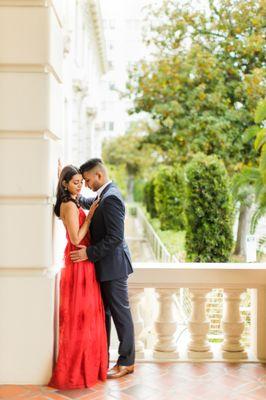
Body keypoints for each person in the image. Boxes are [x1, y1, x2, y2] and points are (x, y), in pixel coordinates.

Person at [70, 158, 135, 379]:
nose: (86, 184)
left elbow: (116, 237)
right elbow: (89, 202)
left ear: (99, 176)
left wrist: (88, 253)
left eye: (87, 180)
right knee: (105, 315)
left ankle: (127, 362)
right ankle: (102, 359)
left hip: (114, 267)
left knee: (120, 314)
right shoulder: (103, 194)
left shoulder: (112, 198)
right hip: (106, 266)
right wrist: (67, 182)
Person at [49, 165, 108, 389]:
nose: (80, 185)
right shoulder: (68, 205)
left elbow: (75, 196)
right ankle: (78, 368)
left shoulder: (72, 200)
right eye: (75, 182)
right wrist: (90, 217)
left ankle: (89, 365)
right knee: (81, 314)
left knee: (86, 313)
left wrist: (60, 173)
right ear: (65, 184)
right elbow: (75, 238)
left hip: (82, 260)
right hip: (79, 259)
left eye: (81, 182)